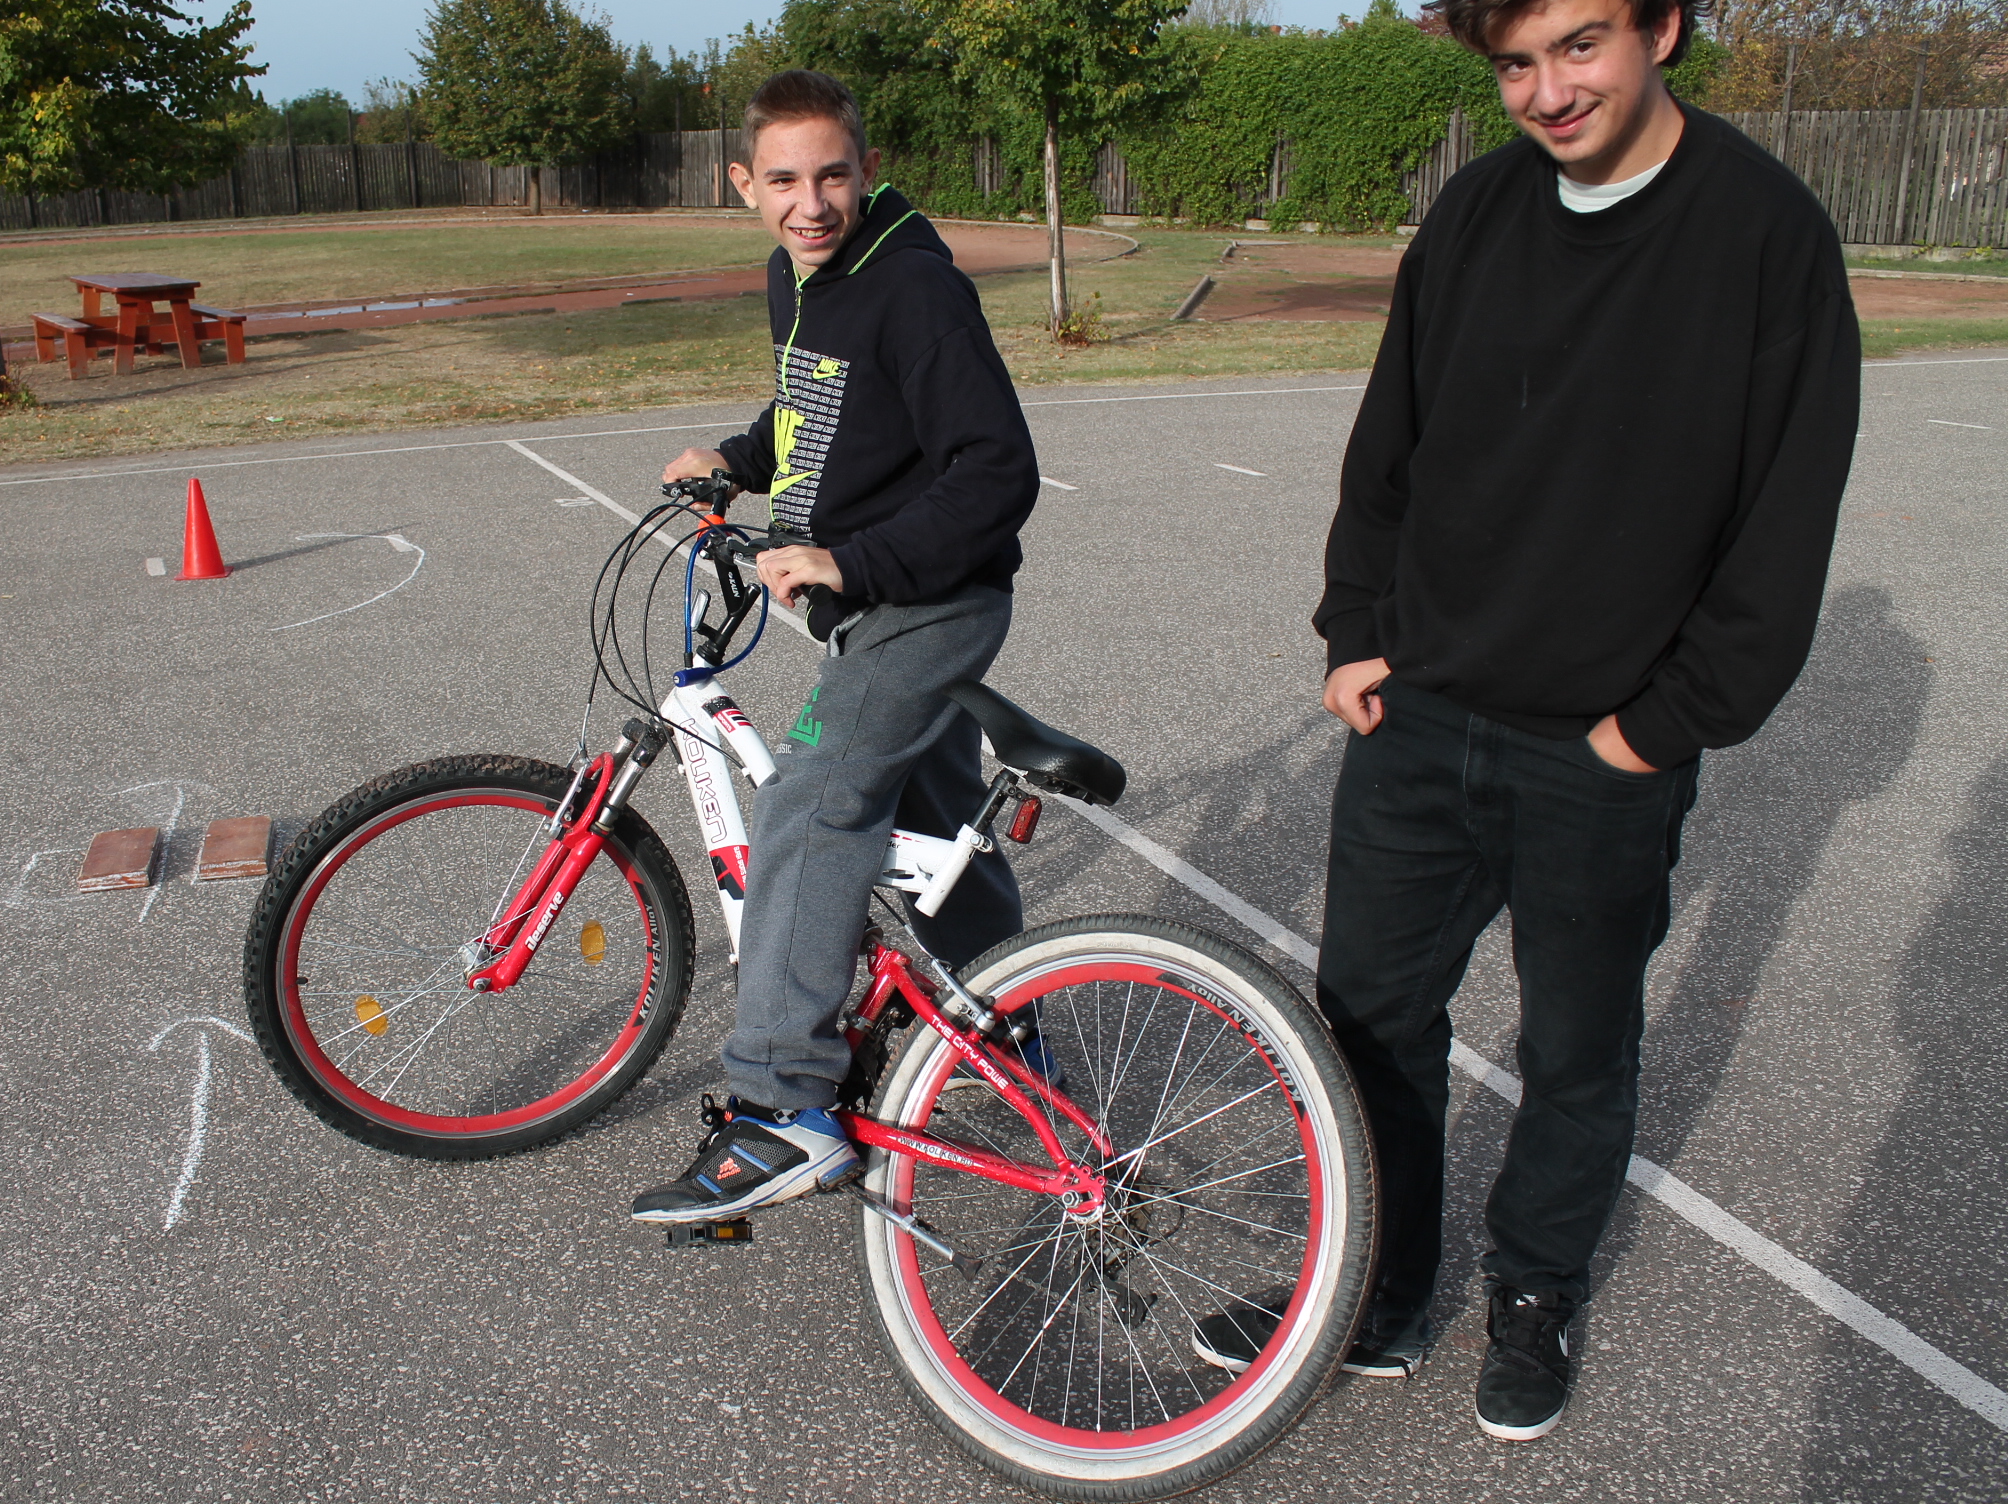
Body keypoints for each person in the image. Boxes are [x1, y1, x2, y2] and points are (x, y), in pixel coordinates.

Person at [1187, 0, 1859, 1443]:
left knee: (1575, 1050)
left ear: (1662, 26)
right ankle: (1375, 1294)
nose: (1549, 89)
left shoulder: (1764, 232)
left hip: (1602, 744)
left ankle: (1537, 1289)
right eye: (1515, 62)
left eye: (1580, 43)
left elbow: (1784, 521)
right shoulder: (1478, 212)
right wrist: (1356, 633)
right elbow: (1391, 440)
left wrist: (1661, 727)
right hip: (1419, 716)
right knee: (1371, 1025)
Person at [629, 70, 1042, 1225]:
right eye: (783, 181)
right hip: (884, 600)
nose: (809, 204)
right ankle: (1011, 1037)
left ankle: (783, 1107)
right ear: (742, 184)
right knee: (937, 829)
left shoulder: (914, 290)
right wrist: (737, 457)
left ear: (867, 169)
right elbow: (821, 410)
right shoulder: (801, 275)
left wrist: (850, 562)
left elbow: (997, 469)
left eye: (831, 177)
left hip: (927, 603)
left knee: (810, 803)